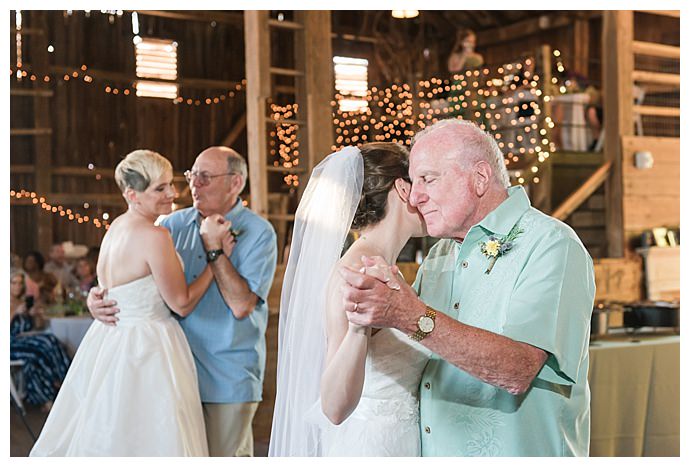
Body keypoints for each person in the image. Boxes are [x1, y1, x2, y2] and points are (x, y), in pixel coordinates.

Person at [340, 119, 596, 456]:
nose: (415, 197)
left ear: (479, 177)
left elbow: (518, 369)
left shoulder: (552, 245)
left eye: (428, 179)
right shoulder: (439, 254)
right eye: (414, 182)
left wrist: (407, 314)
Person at [30, 149, 227, 456]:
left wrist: (94, 296)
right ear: (132, 195)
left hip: (108, 341)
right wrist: (216, 258)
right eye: (159, 188)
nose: (172, 193)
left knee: (111, 429)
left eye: (170, 184)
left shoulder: (114, 230)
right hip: (149, 346)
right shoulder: (154, 235)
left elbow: (113, 285)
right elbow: (182, 303)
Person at [87, 146, 278, 457]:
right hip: (170, 373)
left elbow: (242, 305)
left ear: (235, 183)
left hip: (224, 375)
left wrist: (214, 251)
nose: (193, 184)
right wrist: (97, 297)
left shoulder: (258, 233)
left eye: (205, 176)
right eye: (192, 175)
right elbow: (135, 275)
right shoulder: (170, 225)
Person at [269, 143, 430, 456]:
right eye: (420, 182)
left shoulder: (381, 263)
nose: (427, 196)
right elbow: (333, 406)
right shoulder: (358, 271)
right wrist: (359, 328)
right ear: (402, 187)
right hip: (373, 446)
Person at [10, 271, 71, 411]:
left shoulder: (24, 301)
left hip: (25, 340)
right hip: (10, 344)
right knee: (43, 346)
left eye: (20, 283)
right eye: (13, 282)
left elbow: (38, 326)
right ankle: (58, 386)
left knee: (49, 341)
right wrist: (15, 312)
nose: (17, 286)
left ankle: (63, 380)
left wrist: (36, 315)